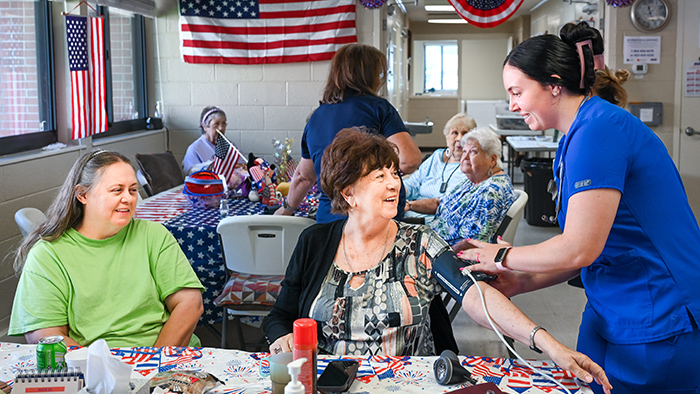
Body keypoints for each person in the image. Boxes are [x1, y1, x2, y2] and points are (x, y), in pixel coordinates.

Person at [263, 129, 611, 392]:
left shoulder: (420, 241)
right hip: (330, 384)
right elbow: (280, 316)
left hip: (409, 384)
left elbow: (477, 296)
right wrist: (282, 338)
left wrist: (548, 344)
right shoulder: (315, 241)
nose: (393, 184)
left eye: (394, 173)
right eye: (378, 176)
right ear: (348, 193)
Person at [458, 22, 700, 394]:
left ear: (554, 85)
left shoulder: (601, 132)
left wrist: (503, 256)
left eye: (517, 92)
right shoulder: (575, 137)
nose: (513, 105)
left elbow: (580, 246)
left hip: (658, 310)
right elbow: (584, 252)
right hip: (610, 301)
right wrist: (522, 281)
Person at [10, 150, 204, 348]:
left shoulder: (153, 235)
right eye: (117, 190)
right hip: (92, 367)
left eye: (133, 190)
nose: (128, 198)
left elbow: (190, 304)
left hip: (165, 358)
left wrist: (153, 362)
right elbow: (46, 334)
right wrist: (104, 371)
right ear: (82, 195)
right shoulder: (48, 254)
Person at [274, 43, 421, 223]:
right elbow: (409, 160)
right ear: (369, 74)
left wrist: (287, 209)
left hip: (330, 221)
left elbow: (304, 177)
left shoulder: (317, 116)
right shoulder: (378, 108)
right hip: (373, 221)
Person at [408, 128, 515, 245]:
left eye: (473, 152)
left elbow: (471, 243)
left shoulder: (490, 191)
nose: (465, 158)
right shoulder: (472, 181)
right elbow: (440, 204)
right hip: (433, 241)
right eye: (464, 151)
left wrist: (429, 254)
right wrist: (409, 205)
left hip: (447, 255)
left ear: (492, 160)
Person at [403, 113, 475, 220]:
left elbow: (447, 204)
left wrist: (410, 205)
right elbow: (413, 183)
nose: (459, 138)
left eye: (465, 133)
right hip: (407, 212)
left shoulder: (471, 167)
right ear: (447, 137)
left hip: (435, 221)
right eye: (454, 133)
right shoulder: (436, 157)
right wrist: (396, 192)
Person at [183, 106, 230, 175]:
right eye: (216, 124)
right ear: (204, 126)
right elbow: (192, 174)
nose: (221, 128)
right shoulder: (194, 149)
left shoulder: (230, 145)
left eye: (223, 123)